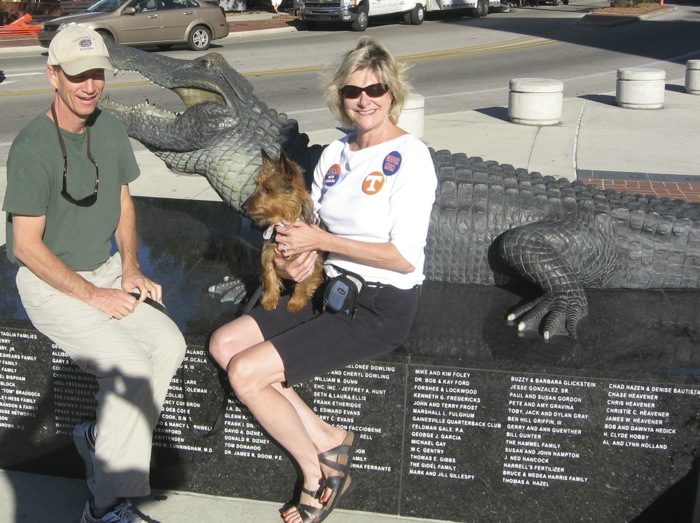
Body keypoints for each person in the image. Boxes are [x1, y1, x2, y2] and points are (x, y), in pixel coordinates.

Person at [209, 37, 437, 523]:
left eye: (375, 88)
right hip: (328, 289)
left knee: (247, 373)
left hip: (379, 306)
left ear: (392, 92)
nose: (365, 100)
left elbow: (402, 258)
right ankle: (330, 439)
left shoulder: (412, 158)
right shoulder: (335, 154)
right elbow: (306, 224)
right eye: (354, 91)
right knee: (225, 344)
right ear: (341, 96)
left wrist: (322, 243)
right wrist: (296, 257)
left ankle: (319, 476)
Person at [2, 26, 186, 523]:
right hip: (48, 284)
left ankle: (101, 441)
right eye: (78, 75)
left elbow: (123, 200)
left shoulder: (109, 129)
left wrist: (128, 268)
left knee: (169, 344)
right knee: (130, 366)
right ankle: (104, 508)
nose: (90, 85)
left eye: (97, 74)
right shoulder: (32, 147)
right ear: (53, 76)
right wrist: (93, 296)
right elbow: (24, 245)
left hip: (104, 271)